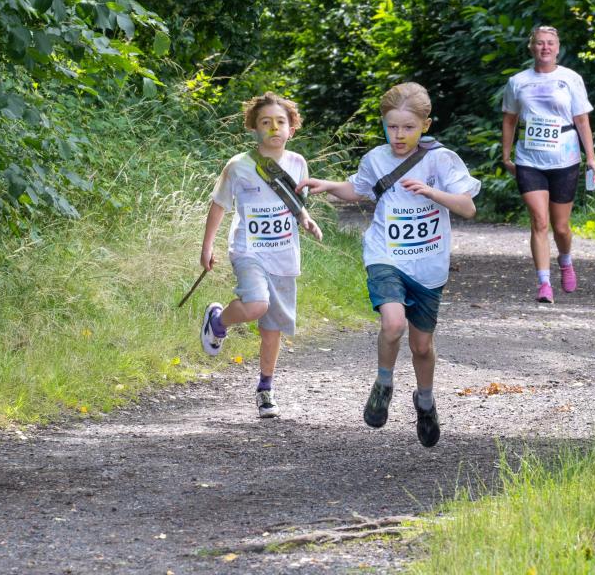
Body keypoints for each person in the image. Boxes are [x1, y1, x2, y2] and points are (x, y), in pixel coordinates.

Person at [301, 82, 480, 448]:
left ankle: (425, 401)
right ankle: (384, 383)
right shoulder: (376, 159)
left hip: (428, 265)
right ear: (384, 124)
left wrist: (433, 192)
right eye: (392, 126)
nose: (399, 135)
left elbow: (468, 207)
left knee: (422, 347)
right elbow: (359, 189)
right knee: (393, 323)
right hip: (386, 255)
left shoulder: (441, 160)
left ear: (425, 126)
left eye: (408, 127)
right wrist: (329, 185)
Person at [198, 93, 324, 418]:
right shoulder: (239, 166)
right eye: (265, 122)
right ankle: (217, 321)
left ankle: (265, 390)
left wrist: (306, 220)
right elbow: (219, 204)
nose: (273, 128)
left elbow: (297, 205)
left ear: (292, 129)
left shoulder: (297, 163)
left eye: (281, 122)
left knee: (272, 327)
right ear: (254, 128)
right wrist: (207, 246)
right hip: (248, 250)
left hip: (284, 255)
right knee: (256, 305)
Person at [501, 25, 595, 304]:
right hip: (529, 159)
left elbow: (582, 119)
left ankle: (565, 260)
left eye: (550, 43)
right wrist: (506, 156)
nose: (545, 47)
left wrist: (591, 158)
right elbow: (509, 119)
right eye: (540, 43)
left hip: (565, 159)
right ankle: (544, 283)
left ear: (557, 48)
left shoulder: (570, 78)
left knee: (561, 227)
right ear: (531, 47)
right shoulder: (517, 81)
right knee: (539, 221)